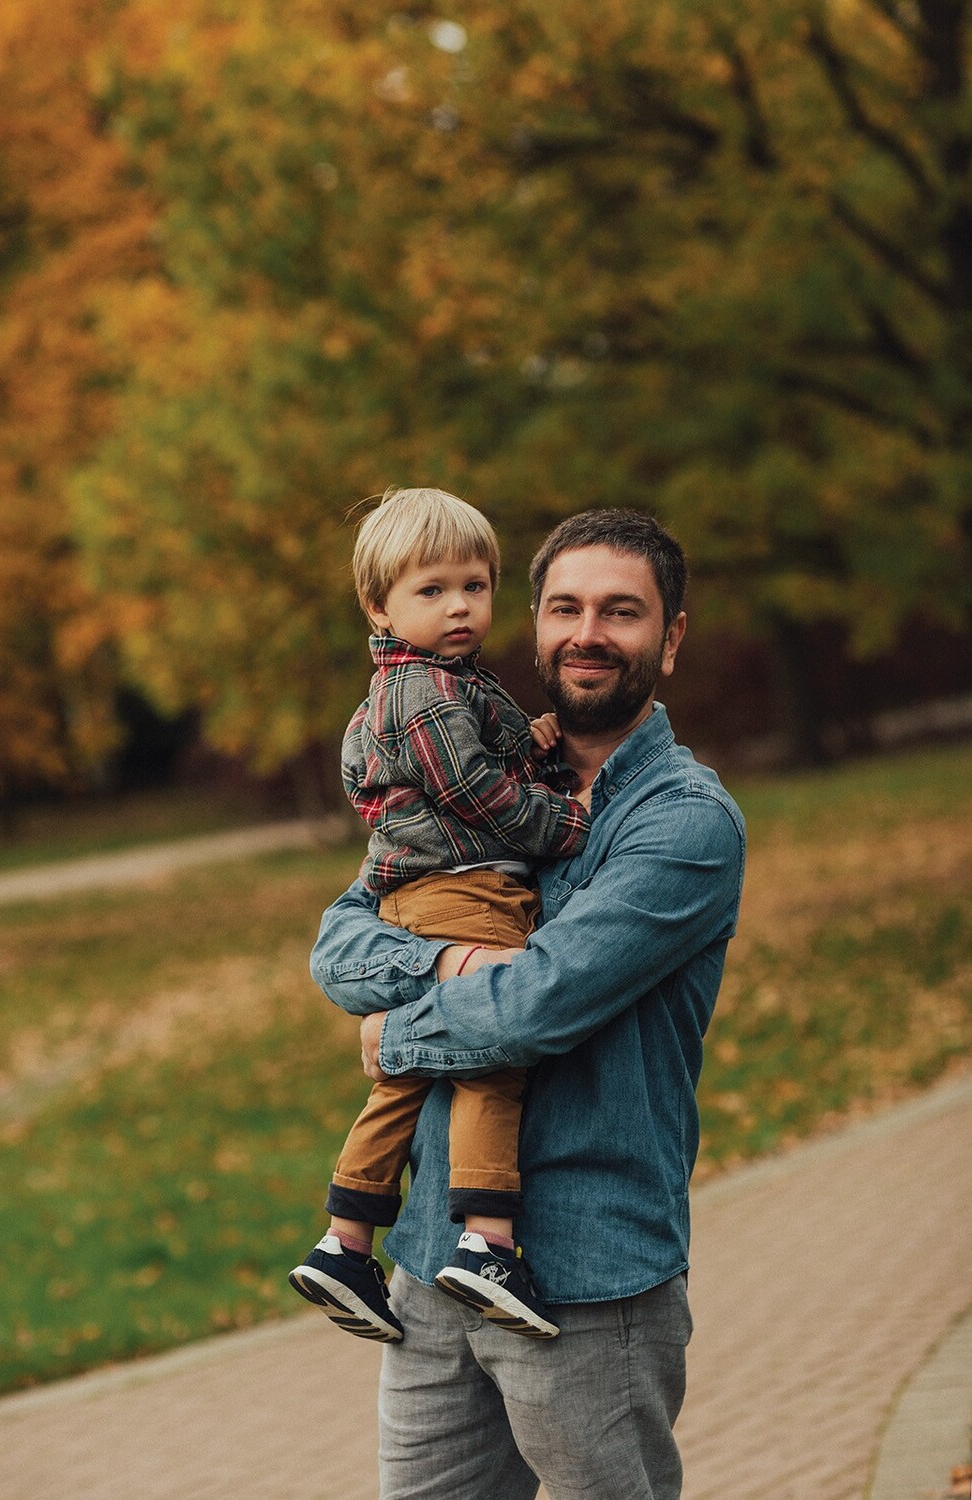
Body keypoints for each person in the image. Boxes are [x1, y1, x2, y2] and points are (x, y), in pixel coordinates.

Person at [308, 507, 746, 1500]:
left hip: (587, 1276)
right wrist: (456, 965)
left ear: (669, 638)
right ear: (536, 622)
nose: (587, 632)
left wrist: (396, 1031)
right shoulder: (472, 781)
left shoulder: (682, 822)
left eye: (621, 611)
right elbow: (338, 945)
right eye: (565, 607)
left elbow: (536, 1006)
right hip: (427, 1265)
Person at [289, 487, 590, 1343]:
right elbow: (474, 793)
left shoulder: (435, 684)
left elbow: (473, 763)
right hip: (468, 891)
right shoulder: (422, 694)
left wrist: (527, 743)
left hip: (433, 891)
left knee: (408, 1070)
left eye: (475, 584)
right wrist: (567, 821)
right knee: (492, 1050)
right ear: (378, 605)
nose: (460, 605)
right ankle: (488, 1239)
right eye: (432, 590)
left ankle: (346, 1239)